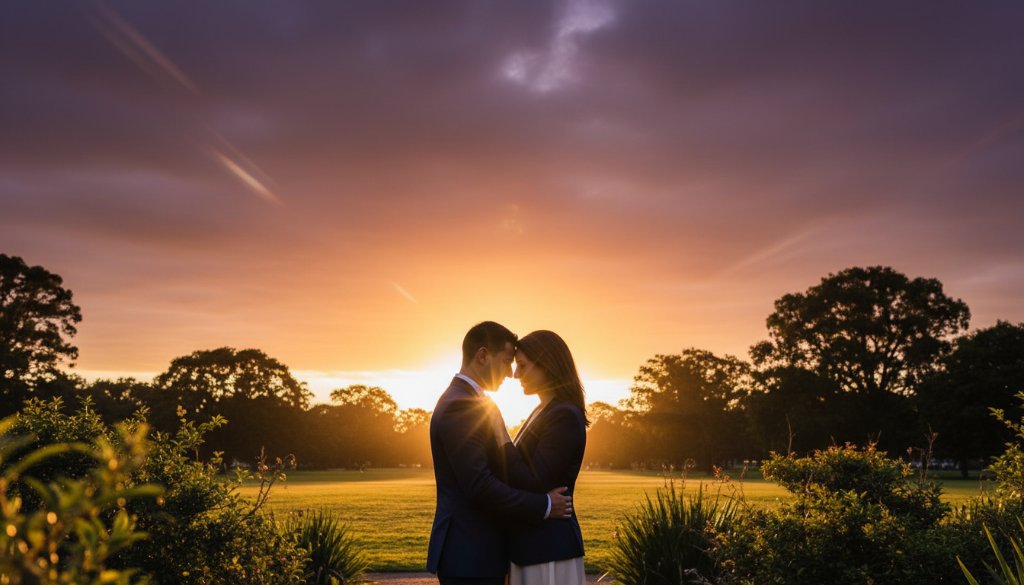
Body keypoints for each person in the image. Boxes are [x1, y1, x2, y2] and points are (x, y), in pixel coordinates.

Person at [427, 321, 573, 585]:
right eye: (507, 362)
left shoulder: (470, 401)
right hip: (470, 556)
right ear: (483, 355)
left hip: (476, 554)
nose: (510, 373)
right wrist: (545, 505)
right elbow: (479, 485)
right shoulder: (462, 405)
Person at [495, 330, 589, 585]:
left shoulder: (564, 415)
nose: (515, 374)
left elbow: (535, 480)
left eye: (523, 366)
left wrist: (501, 435)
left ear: (546, 365)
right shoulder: (543, 410)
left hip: (549, 548)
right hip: (532, 545)